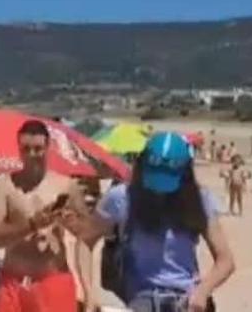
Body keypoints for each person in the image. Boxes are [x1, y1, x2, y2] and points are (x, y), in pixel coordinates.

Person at [62, 132, 235, 312]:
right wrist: (90, 294)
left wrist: (202, 291)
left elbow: (225, 260)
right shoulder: (122, 198)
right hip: (139, 299)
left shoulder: (198, 200)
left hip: (186, 298)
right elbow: (84, 241)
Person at [0, 119, 91, 312]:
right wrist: (31, 225)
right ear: (18, 148)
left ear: (48, 147)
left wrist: (71, 223)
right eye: (26, 149)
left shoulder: (66, 186)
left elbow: (89, 234)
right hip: (14, 284)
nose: (32, 155)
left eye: (38, 149)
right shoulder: (3, 186)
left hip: (53, 282)